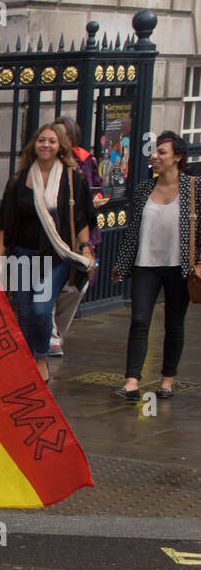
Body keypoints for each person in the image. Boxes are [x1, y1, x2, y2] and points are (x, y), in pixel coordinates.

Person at [0, 123, 94, 383]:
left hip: (57, 255)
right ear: (34, 145)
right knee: (25, 312)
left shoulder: (73, 179)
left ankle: (40, 356)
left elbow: (82, 218)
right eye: (41, 140)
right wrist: (0, 256)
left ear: (60, 145)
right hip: (23, 255)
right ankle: (29, 361)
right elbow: (5, 221)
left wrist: (85, 248)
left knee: (41, 308)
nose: (46, 145)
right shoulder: (19, 179)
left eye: (51, 141)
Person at [111, 131, 197, 401]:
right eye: (154, 151)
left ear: (178, 157)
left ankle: (167, 380)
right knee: (139, 321)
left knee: (174, 323)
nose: (154, 156)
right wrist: (121, 264)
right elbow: (133, 232)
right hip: (145, 265)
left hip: (178, 267)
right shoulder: (142, 190)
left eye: (162, 152)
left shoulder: (194, 188)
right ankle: (132, 382)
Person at [50, 116, 106, 356]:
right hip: (52, 232)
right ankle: (50, 336)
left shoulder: (86, 161)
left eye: (61, 136)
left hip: (79, 232)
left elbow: (98, 190)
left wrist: (96, 201)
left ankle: (57, 331)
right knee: (47, 283)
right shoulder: (44, 161)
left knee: (77, 287)